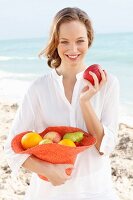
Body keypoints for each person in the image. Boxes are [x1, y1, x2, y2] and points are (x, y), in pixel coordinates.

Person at [4, 7, 120, 200]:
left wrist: (85, 103)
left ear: (89, 40)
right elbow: (12, 148)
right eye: (64, 41)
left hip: (96, 192)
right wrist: (47, 170)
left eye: (80, 41)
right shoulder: (39, 88)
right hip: (47, 193)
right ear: (55, 43)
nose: (73, 49)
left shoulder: (108, 84)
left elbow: (104, 148)